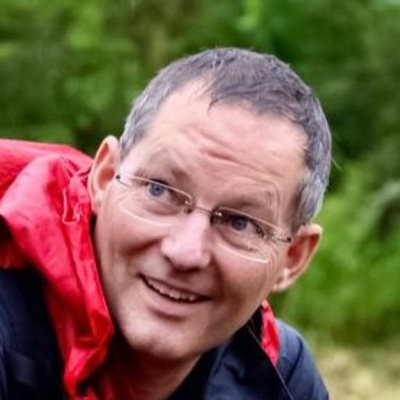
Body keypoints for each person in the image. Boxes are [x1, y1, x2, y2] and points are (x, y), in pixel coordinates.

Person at [0, 47, 331, 399]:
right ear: (105, 177)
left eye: (240, 223)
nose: (185, 252)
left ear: (293, 257)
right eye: (159, 190)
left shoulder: (277, 375)